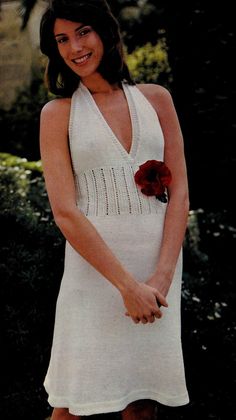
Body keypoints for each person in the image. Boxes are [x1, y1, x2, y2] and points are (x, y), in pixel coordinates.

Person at [39, 0, 190, 419]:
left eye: (82, 32)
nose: (74, 47)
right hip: (95, 275)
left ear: (105, 32)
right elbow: (65, 211)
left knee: (142, 403)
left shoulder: (157, 100)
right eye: (62, 40)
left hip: (157, 270)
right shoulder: (58, 114)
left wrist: (158, 278)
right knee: (71, 406)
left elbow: (180, 194)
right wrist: (127, 286)